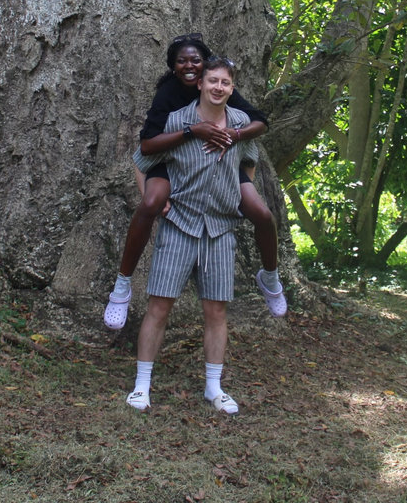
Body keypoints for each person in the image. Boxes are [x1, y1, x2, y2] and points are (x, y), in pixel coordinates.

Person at [103, 34, 285, 330]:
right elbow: (146, 147)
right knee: (150, 203)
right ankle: (122, 286)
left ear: (205, 68)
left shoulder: (219, 89)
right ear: (173, 66)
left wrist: (235, 135)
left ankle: (270, 276)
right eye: (181, 61)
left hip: (220, 164)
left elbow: (260, 123)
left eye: (196, 60)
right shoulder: (168, 93)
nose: (189, 66)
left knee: (262, 214)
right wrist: (193, 131)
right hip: (171, 160)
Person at [126, 56, 256, 414]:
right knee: (159, 306)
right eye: (212, 80)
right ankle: (141, 386)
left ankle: (214, 388)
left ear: (232, 88)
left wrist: (239, 196)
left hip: (220, 229)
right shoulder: (177, 122)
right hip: (180, 225)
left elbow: (249, 163)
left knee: (216, 310)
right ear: (200, 83)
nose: (218, 87)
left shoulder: (242, 124)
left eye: (225, 83)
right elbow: (141, 161)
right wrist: (156, 201)